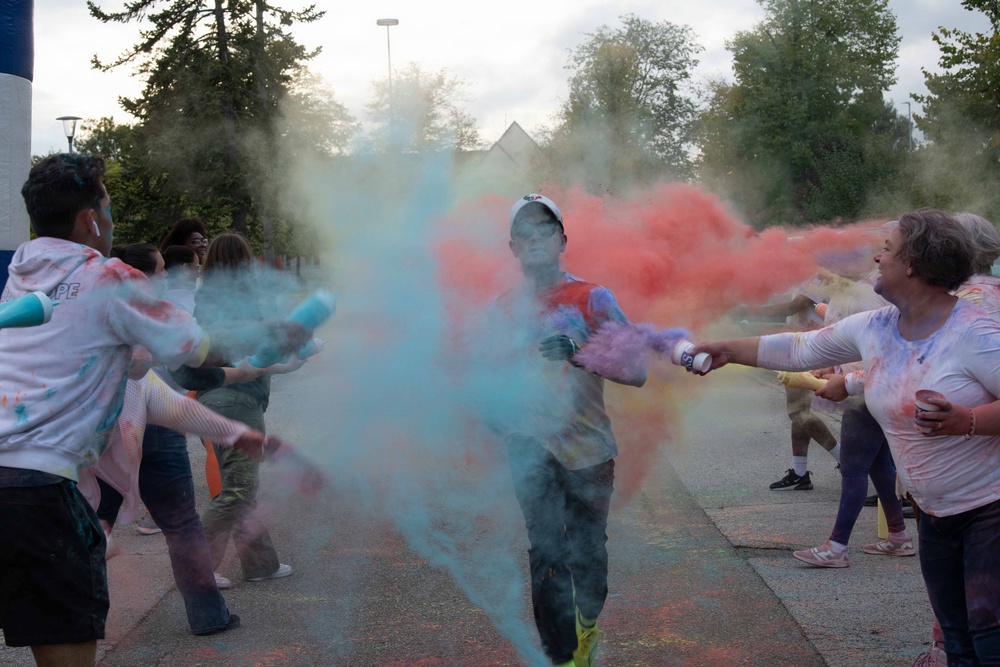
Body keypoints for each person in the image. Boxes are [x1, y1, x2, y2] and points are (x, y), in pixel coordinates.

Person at [0, 154, 306, 666]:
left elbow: (150, 388)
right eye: (109, 208)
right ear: (90, 219)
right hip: (42, 494)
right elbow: (197, 348)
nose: (112, 221)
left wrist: (231, 430)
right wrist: (271, 334)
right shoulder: (110, 279)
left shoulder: (21, 276)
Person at [692, 210, 1000, 665]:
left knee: (990, 644)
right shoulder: (877, 326)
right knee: (957, 642)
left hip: (988, 511)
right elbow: (800, 348)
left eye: (888, 249)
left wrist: (967, 420)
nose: (877, 256)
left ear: (913, 263)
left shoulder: (974, 330)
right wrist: (726, 350)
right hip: (935, 515)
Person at [489, 194, 646, 667]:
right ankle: (559, 656)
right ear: (512, 245)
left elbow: (636, 370)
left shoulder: (592, 298)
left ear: (562, 240)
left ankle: (587, 626)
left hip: (587, 450)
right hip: (527, 447)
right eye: (525, 233)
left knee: (587, 552)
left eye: (545, 230)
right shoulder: (500, 310)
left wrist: (580, 351)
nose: (536, 239)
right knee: (545, 552)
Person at [179, 233, 302, 584]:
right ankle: (196, 567)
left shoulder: (201, 302)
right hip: (238, 402)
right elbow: (257, 360)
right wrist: (295, 355)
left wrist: (288, 363)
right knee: (240, 488)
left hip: (211, 398)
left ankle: (261, 565)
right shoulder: (247, 304)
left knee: (240, 485)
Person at [792, 265, 912, 568]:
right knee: (880, 463)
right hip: (871, 385)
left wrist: (839, 375)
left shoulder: (869, 293)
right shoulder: (868, 288)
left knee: (854, 466)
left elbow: (870, 346)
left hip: (865, 389)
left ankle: (837, 546)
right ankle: (898, 536)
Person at [735, 281, 841, 491]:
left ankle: (844, 458)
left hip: (809, 346)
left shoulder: (823, 276)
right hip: (798, 343)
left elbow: (791, 307)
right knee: (799, 412)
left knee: (798, 412)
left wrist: (747, 311)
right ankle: (800, 473)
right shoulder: (812, 274)